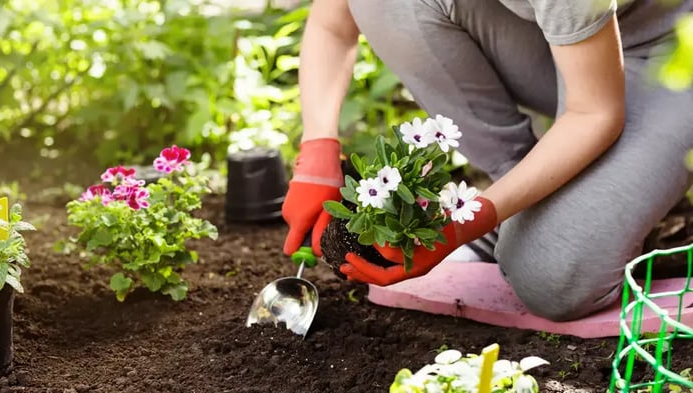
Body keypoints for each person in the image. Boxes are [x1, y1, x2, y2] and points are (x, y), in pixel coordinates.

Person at [281, 0, 693, 322]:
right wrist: (316, 151)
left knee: (549, 280)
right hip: (577, 48)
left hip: (675, 54)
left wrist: (464, 225)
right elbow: (332, 24)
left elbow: (594, 113)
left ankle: (555, 220)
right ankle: (523, 206)